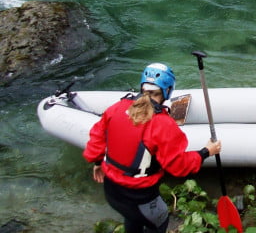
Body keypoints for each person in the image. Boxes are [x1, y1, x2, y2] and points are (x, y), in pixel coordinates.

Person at [83, 62, 221, 233]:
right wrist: (206, 151)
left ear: (142, 87)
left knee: (132, 218)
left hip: (111, 191)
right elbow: (178, 166)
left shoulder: (117, 108)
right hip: (139, 197)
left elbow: (96, 138)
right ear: (168, 91)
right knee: (159, 221)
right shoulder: (162, 124)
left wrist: (97, 162)